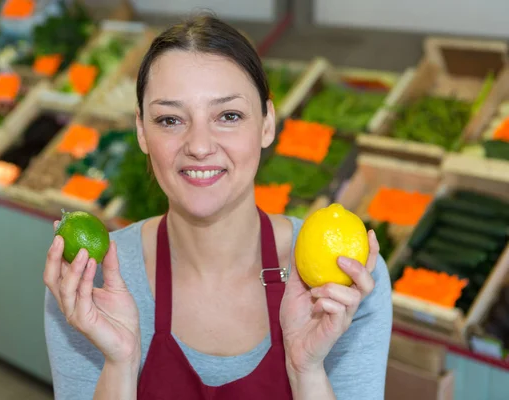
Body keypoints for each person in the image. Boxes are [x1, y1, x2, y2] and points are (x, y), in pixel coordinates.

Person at [43, 13, 392, 400]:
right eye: (171, 119)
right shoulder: (90, 281)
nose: (200, 145)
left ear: (267, 124)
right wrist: (120, 364)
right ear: (142, 131)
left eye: (228, 116)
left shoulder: (342, 280)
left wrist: (306, 370)